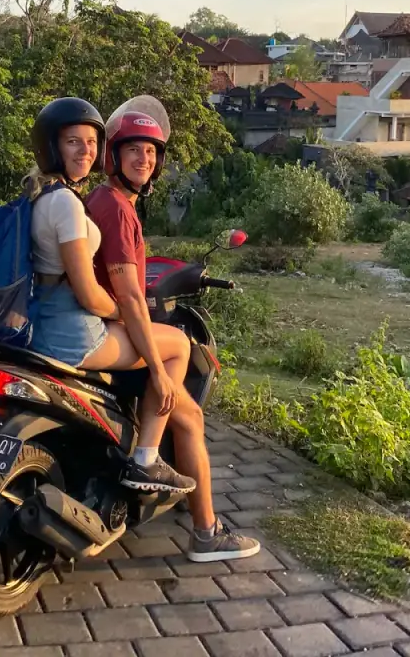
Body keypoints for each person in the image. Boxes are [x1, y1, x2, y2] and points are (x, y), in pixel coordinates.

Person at [84, 97, 261, 563]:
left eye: (151, 152)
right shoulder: (118, 210)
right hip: (110, 334)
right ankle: (204, 530)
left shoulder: (100, 200)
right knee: (189, 403)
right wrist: (160, 373)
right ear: (113, 158)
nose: (143, 159)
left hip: (92, 324)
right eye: (133, 151)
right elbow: (127, 295)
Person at [24, 97, 198, 497]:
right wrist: (127, 318)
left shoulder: (42, 195)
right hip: (71, 331)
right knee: (176, 347)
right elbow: (88, 293)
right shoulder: (67, 204)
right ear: (53, 147)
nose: (84, 151)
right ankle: (147, 459)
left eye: (90, 142)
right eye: (73, 142)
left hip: (43, 320)